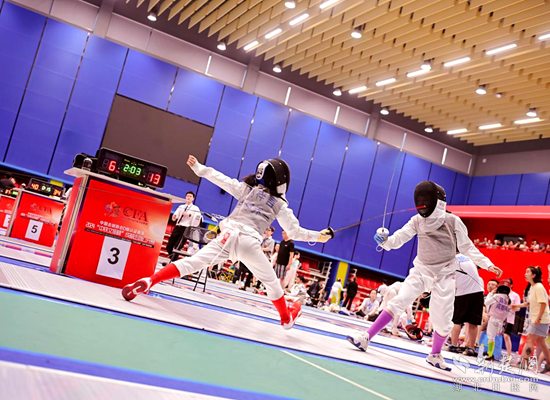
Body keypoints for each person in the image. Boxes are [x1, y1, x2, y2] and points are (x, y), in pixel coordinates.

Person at [122, 156, 333, 330]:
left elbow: (222, 179)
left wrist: (199, 168)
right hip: (249, 242)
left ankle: (150, 281)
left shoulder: (247, 189)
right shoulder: (280, 205)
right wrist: (320, 236)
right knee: (272, 283)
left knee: (191, 263)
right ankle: (286, 318)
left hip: (227, 235)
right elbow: (295, 232)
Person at [347, 180, 502, 371]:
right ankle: (366, 337)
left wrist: (487, 264)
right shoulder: (417, 220)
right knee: (399, 300)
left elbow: (467, 247)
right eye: (420, 199)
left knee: (443, 319)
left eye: (425, 198)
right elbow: (399, 238)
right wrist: (385, 241)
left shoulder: (452, 221)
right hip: (421, 270)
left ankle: (435, 354)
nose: (422, 203)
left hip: (445, 274)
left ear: (438, 201)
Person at [511, 266, 550, 373]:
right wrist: (517, 305)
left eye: (528, 272)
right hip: (537, 318)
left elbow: (543, 303)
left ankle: (524, 363)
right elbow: (529, 303)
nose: (525, 274)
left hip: (540, 319)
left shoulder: (538, 287)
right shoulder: (532, 287)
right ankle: (549, 364)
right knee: (541, 342)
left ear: (534, 275)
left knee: (530, 340)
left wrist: (538, 318)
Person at [449, 253, 485, 357]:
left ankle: (454, 345)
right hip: (478, 292)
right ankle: (471, 348)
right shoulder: (467, 257)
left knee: (457, 321)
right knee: (473, 322)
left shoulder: (450, 259)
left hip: (463, 293)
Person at [165, 191, 201, 261]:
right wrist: (174, 217)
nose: (188, 197)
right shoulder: (181, 206)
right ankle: (174, 260)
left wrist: (189, 214)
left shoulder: (195, 208)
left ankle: (173, 262)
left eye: (190, 196)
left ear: (193, 198)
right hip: (178, 227)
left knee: (178, 247)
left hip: (186, 229)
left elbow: (197, 217)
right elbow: (175, 215)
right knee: (169, 246)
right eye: (187, 196)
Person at [484, 285, 511, 360]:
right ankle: (492, 353)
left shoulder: (497, 296)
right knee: (495, 337)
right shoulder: (508, 299)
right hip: (501, 321)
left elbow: (486, 302)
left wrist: (490, 293)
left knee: (490, 337)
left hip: (493, 319)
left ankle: (490, 354)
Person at [500, 278, 521, 359]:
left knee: (506, 336)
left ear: (511, 285)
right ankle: (492, 352)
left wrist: (509, 307)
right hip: (499, 317)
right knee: (495, 335)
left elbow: (518, 308)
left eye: (508, 283)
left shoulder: (515, 295)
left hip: (509, 319)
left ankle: (509, 355)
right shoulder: (500, 293)